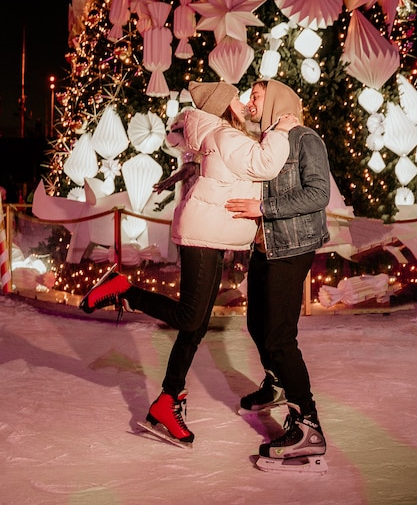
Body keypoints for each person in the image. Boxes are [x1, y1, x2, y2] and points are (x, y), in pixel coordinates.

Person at [79, 80, 298, 445]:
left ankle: (168, 400)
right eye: (238, 99)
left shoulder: (219, 135)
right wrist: (281, 130)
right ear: (226, 105)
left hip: (211, 235)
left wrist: (179, 174)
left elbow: (212, 167)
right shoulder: (227, 136)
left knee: (193, 327)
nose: (244, 104)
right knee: (190, 317)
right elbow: (265, 163)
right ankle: (123, 290)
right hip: (203, 236)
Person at [225, 78, 331, 462]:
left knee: (280, 337)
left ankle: (308, 426)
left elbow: (319, 193)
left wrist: (263, 210)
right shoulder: (267, 139)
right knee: (256, 324)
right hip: (264, 247)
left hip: (293, 246)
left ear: (278, 98)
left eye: (256, 95)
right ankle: (275, 385)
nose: (251, 100)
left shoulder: (304, 138)